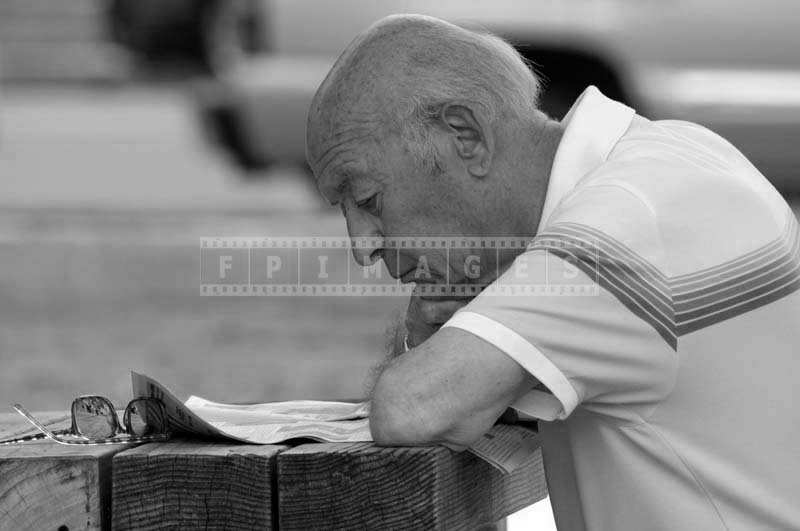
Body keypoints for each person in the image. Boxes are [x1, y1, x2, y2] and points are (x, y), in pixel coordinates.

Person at [305, 14, 800, 531]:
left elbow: (413, 408)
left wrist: (430, 336)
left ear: (465, 134)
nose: (363, 247)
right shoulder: (674, 154)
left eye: (368, 199)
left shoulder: (622, 229)